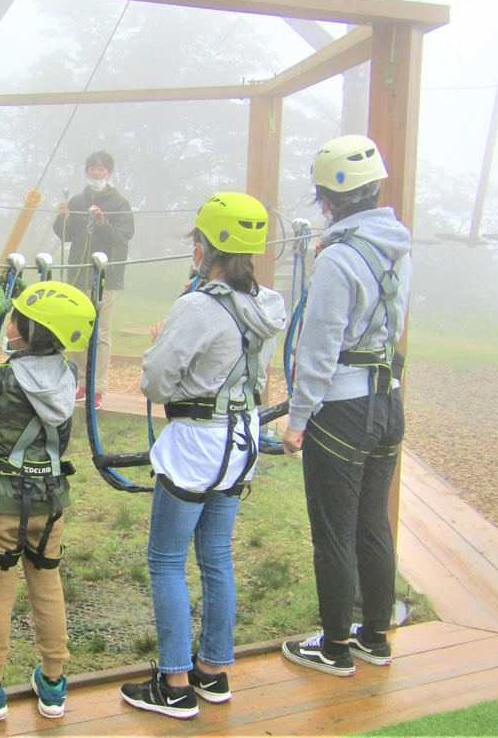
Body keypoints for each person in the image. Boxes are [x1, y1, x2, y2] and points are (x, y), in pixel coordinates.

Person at [120, 193, 286, 719]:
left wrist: (162, 342)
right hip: (240, 442)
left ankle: (174, 685)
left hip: (195, 443)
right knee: (216, 556)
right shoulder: (265, 305)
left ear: (205, 245)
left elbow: (156, 380)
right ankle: (212, 673)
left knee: (166, 560)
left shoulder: (196, 306)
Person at [280, 135, 411, 676]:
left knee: (333, 530)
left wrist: (298, 418)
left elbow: (319, 346)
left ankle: (334, 648)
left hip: (343, 407)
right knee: (371, 523)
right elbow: (395, 324)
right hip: (387, 403)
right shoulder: (398, 245)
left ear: (329, 198)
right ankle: (374, 637)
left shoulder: (338, 257)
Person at [0, 278, 96, 723]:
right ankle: (53, 682)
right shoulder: (67, 375)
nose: (9, 326)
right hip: (50, 504)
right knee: (47, 585)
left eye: (16, 322)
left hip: (0, 504)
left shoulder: (2, 381)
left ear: (26, 333)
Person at [52, 150, 134, 410]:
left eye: (101, 169)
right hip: (78, 274)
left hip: (104, 278)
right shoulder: (78, 199)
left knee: (100, 334)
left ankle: (97, 389)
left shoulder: (119, 202)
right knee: (78, 332)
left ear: (110, 173)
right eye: (92, 168)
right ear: (87, 171)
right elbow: (66, 235)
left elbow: (122, 239)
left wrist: (101, 223)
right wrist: (62, 217)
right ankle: (81, 384)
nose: (97, 173)